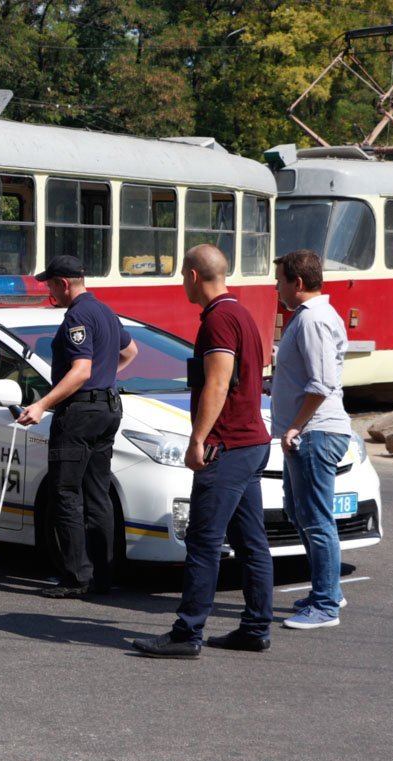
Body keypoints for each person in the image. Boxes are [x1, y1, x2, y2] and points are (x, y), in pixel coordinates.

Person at [132, 244, 273, 658]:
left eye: (182, 275)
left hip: (226, 446)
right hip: (251, 442)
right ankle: (255, 628)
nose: (182, 283)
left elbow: (217, 382)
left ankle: (187, 633)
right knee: (251, 542)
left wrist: (197, 440)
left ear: (193, 275)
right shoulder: (241, 313)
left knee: (204, 541)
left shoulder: (219, 320)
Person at [17, 255, 138, 598]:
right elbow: (130, 351)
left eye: (51, 285)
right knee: (97, 493)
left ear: (64, 283)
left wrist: (42, 404)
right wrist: (104, 376)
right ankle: (103, 575)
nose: (49, 291)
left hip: (79, 414)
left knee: (66, 493)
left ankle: (76, 577)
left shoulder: (77, 316)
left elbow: (81, 370)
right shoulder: (105, 311)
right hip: (108, 408)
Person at [272, 249, 353, 630]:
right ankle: (327, 588)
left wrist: (295, 426)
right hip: (310, 430)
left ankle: (325, 604)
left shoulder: (313, 319)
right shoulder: (310, 316)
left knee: (316, 519)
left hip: (315, 431)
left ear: (298, 282)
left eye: (280, 281)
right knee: (300, 513)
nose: (277, 289)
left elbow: (321, 384)